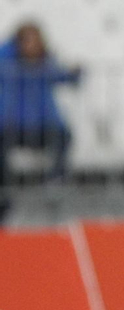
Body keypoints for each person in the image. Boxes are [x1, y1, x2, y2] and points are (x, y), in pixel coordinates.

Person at [0, 22, 79, 223]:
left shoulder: (46, 63)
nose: (31, 46)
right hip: (12, 126)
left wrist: (75, 72)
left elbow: (64, 76)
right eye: (27, 40)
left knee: (64, 138)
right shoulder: (7, 64)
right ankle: (5, 192)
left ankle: (53, 183)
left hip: (44, 125)